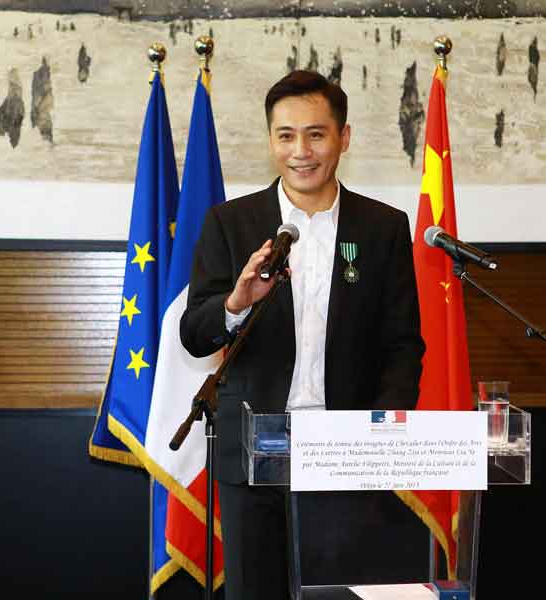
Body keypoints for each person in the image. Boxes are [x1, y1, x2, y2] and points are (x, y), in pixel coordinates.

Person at [179, 70, 425, 600]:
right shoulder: (231, 223)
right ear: (270, 140)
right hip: (253, 457)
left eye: (316, 134)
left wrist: (381, 431)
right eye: (285, 136)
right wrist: (235, 303)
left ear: (344, 138)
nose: (301, 151)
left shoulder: (383, 227)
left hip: (345, 452)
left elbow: (402, 343)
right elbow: (194, 334)